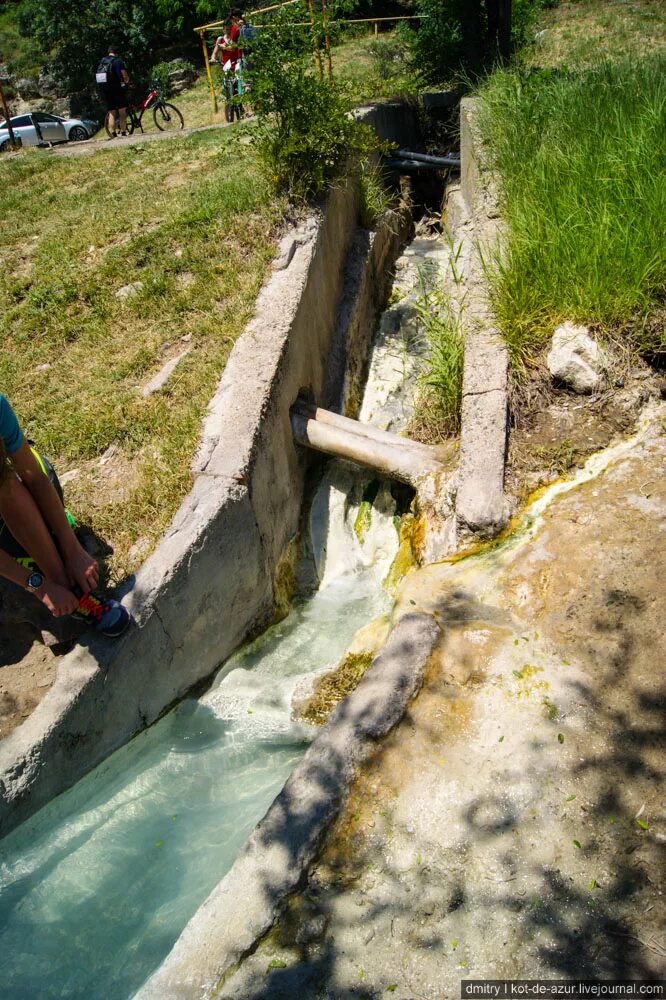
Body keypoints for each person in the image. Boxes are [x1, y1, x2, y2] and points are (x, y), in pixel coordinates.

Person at [0, 394, 130, 637]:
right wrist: (38, 586)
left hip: (14, 479)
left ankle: (62, 576)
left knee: (11, 486)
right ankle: (68, 587)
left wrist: (73, 549)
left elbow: (34, 476)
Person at [96, 44, 130, 138]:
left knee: (111, 112)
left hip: (106, 90)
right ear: (116, 52)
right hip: (117, 89)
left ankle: (113, 133)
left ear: (109, 52)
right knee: (122, 112)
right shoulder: (118, 61)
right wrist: (126, 82)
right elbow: (124, 75)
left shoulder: (102, 61)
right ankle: (123, 132)